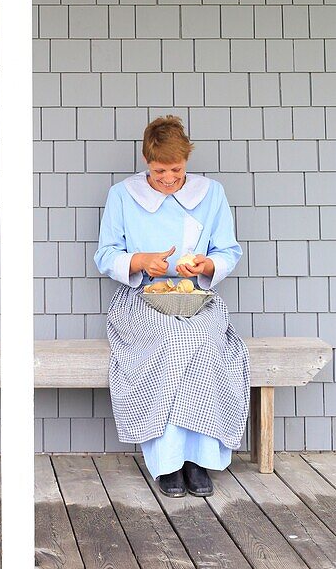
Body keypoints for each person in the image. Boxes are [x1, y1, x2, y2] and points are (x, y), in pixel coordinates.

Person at [94, 115, 250, 497]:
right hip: (141, 300)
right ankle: (168, 462)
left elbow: (227, 250)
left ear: (187, 162)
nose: (167, 178)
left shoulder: (211, 194)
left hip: (196, 298)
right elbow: (105, 254)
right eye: (159, 170)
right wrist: (140, 261)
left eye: (175, 170)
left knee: (201, 343)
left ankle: (198, 459)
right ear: (147, 162)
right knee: (170, 342)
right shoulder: (122, 196)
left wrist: (206, 265)